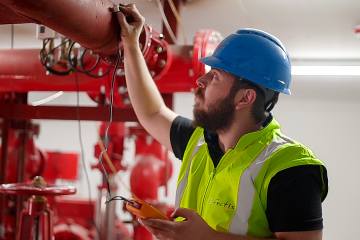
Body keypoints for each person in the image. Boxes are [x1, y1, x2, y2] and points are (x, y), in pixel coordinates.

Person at [114, 3, 328, 240]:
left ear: (245, 97)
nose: (200, 80)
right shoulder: (198, 142)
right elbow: (152, 113)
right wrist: (131, 45)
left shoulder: (291, 167)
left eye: (215, 75)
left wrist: (207, 237)